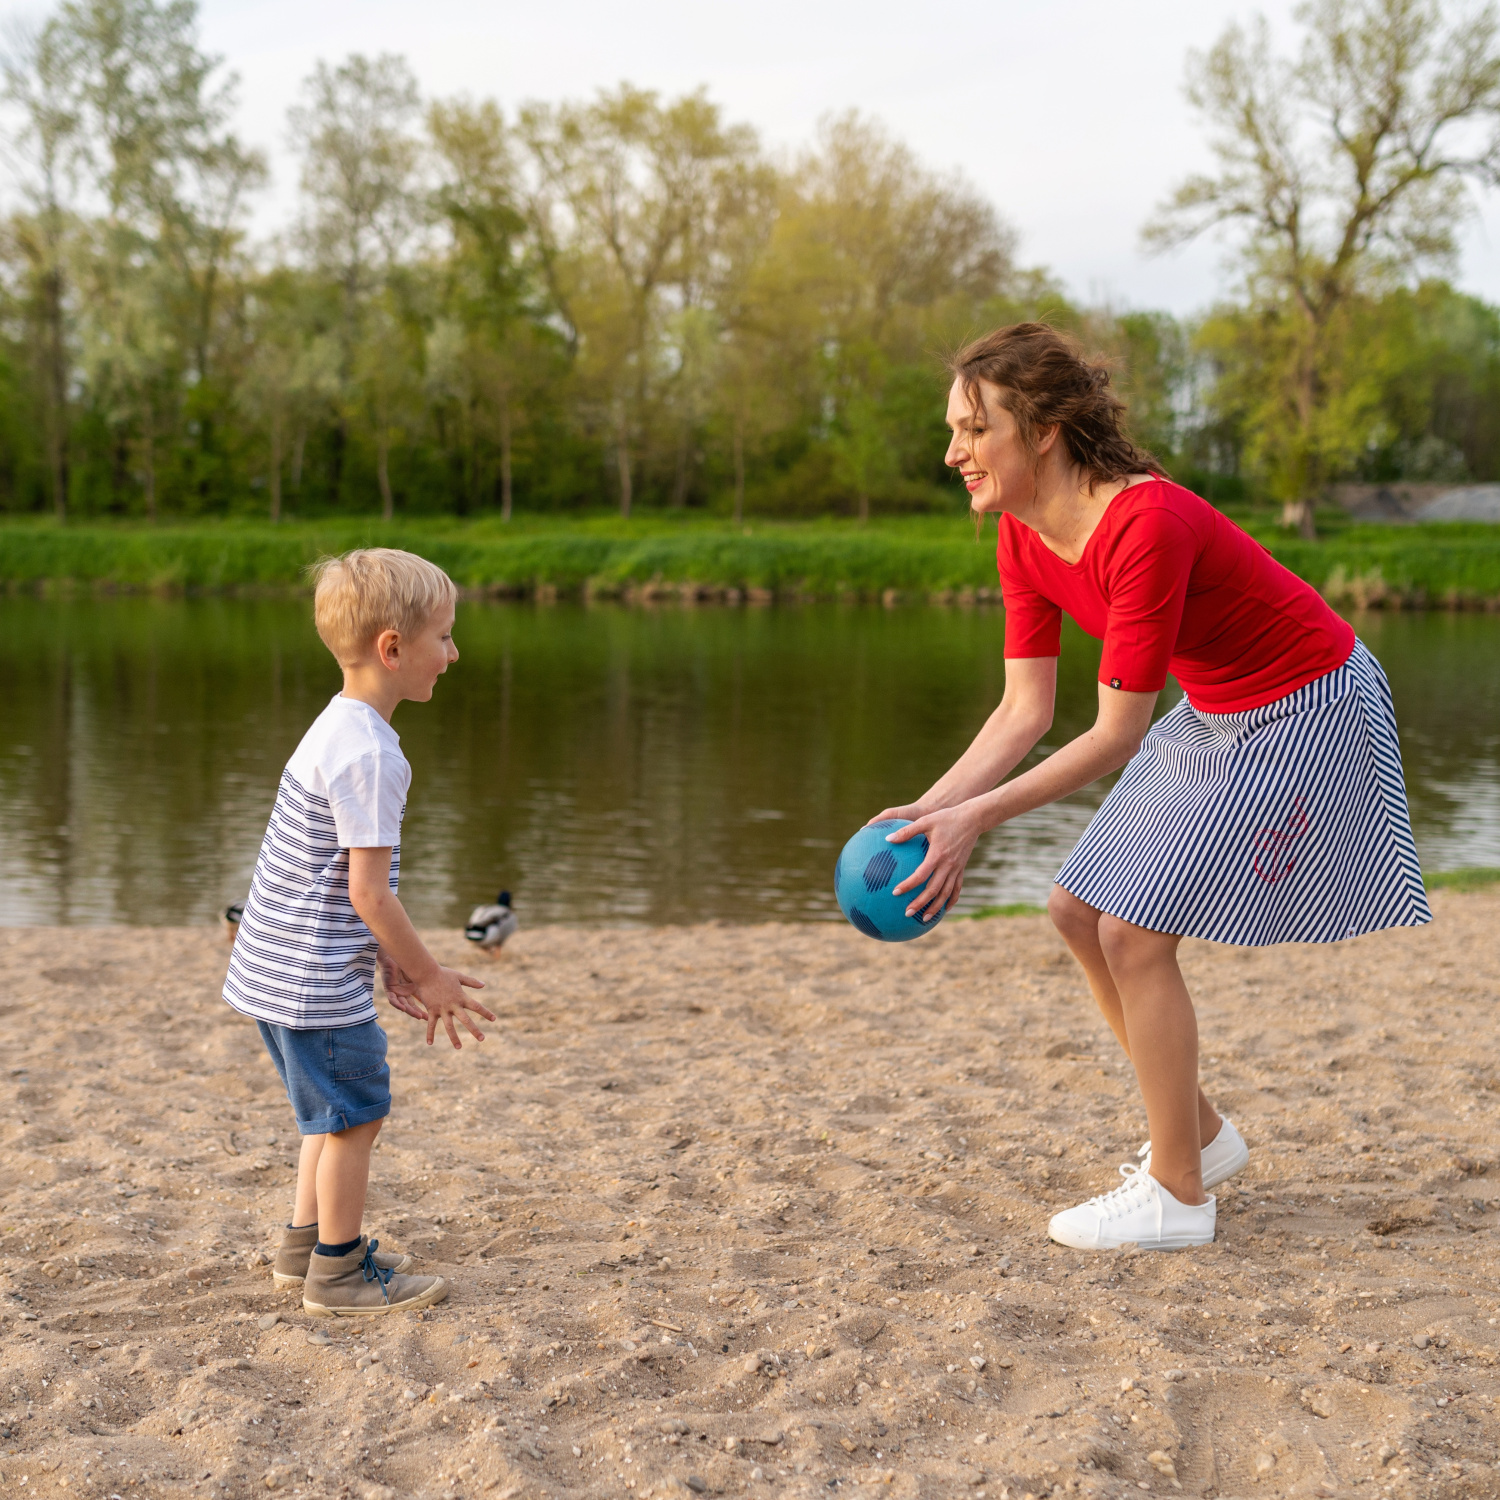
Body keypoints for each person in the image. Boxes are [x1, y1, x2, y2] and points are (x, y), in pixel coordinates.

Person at [874, 323, 1431, 1252]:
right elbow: (1023, 712)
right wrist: (934, 810)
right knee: (1073, 906)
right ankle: (1200, 1137)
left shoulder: (1147, 524)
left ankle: (1177, 1196)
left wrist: (977, 818)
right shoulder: (1021, 536)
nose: (953, 452)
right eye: (953, 430)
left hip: (1309, 701)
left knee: (1132, 931)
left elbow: (1116, 733)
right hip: (1219, 709)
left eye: (974, 430)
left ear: (1043, 429)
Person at [224, 548, 496, 1313]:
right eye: (443, 637)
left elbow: (328, 881)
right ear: (392, 648)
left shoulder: (332, 726)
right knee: (356, 1118)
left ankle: (302, 1248)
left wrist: (385, 964)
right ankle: (337, 1274)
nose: (453, 653)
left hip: (270, 970)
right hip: (311, 980)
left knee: (325, 1115)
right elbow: (369, 893)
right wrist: (428, 975)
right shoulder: (374, 754)